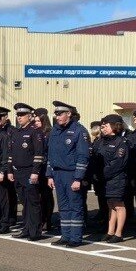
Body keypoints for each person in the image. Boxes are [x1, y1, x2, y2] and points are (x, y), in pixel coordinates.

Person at [46, 101, 90, 247]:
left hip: (71, 174)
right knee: (63, 207)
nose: (57, 117)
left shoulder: (79, 131)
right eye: (56, 114)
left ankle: (75, 238)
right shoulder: (55, 130)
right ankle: (65, 235)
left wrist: (78, 178)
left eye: (60, 114)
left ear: (69, 114)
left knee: (75, 207)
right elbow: (51, 154)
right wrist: (49, 175)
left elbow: (83, 156)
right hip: (58, 173)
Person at [7, 103, 47, 240]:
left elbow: (39, 154)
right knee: (24, 203)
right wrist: (10, 170)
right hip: (18, 172)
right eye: (18, 115)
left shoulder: (35, 132)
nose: (19, 117)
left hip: (30, 172)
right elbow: (11, 153)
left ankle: (35, 231)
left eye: (22, 115)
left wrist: (35, 172)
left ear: (30, 116)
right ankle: (26, 229)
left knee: (33, 203)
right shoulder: (16, 132)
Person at [91, 114, 129, 242]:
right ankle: (110, 231)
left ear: (114, 126)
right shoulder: (101, 141)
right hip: (104, 179)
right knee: (111, 205)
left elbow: (118, 163)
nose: (103, 129)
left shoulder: (121, 142)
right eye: (102, 127)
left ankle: (118, 233)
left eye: (106, 126)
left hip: (116, 178)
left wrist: (103, 173)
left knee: (118, 205)